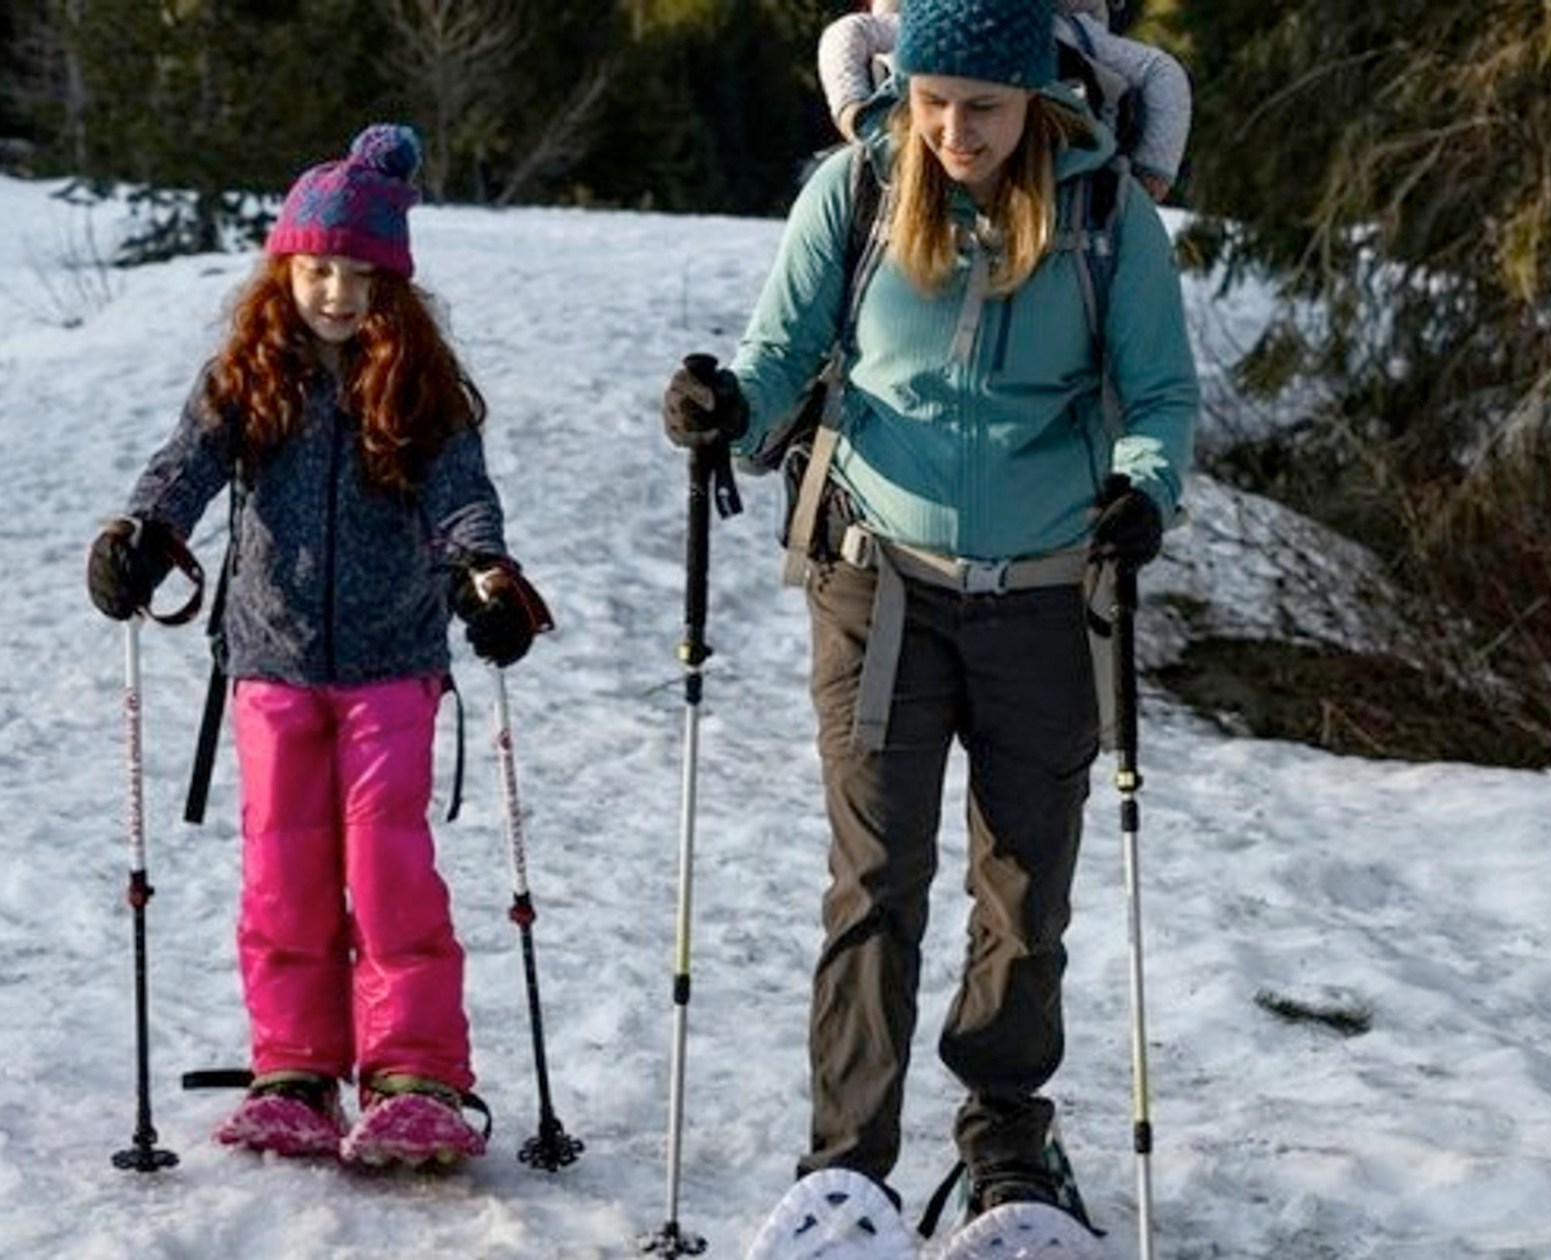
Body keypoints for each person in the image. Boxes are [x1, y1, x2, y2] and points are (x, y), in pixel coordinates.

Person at [664, 0, 1198, 1216]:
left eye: (986, 108)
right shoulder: (853, 193)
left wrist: (1143, 489)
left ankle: (1007, 1134)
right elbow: (774, 359)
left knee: (1024, 882)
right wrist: (719, 409)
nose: (956, 130)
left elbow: (1160, 393)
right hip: (877, 584)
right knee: (876, 876)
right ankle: (846, 1166)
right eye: (934, 102)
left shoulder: (1106, 214)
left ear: (1040, 103)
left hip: (1047, 595)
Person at [85, 123, 551, 1168]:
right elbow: (186, 466)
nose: (337, 293)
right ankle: (294, 1066)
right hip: (271, 660)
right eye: (319, 270)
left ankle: (415, 1071)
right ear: (286, 268)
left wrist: (487, 576)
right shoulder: (249, 373)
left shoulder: (421, 387)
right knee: (282, 869)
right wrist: (144, 535)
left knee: (389, 866)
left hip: (393, 657)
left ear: (395, 283)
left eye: (361, 275)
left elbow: (461, 497)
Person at [818, 0, 1191, 201]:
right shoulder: (935, 21)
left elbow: (1163, 73)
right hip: (921, 166)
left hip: (1058, 179)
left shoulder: (1073, 31)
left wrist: (1150, 173)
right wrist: (855, 113)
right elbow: (847, 35)